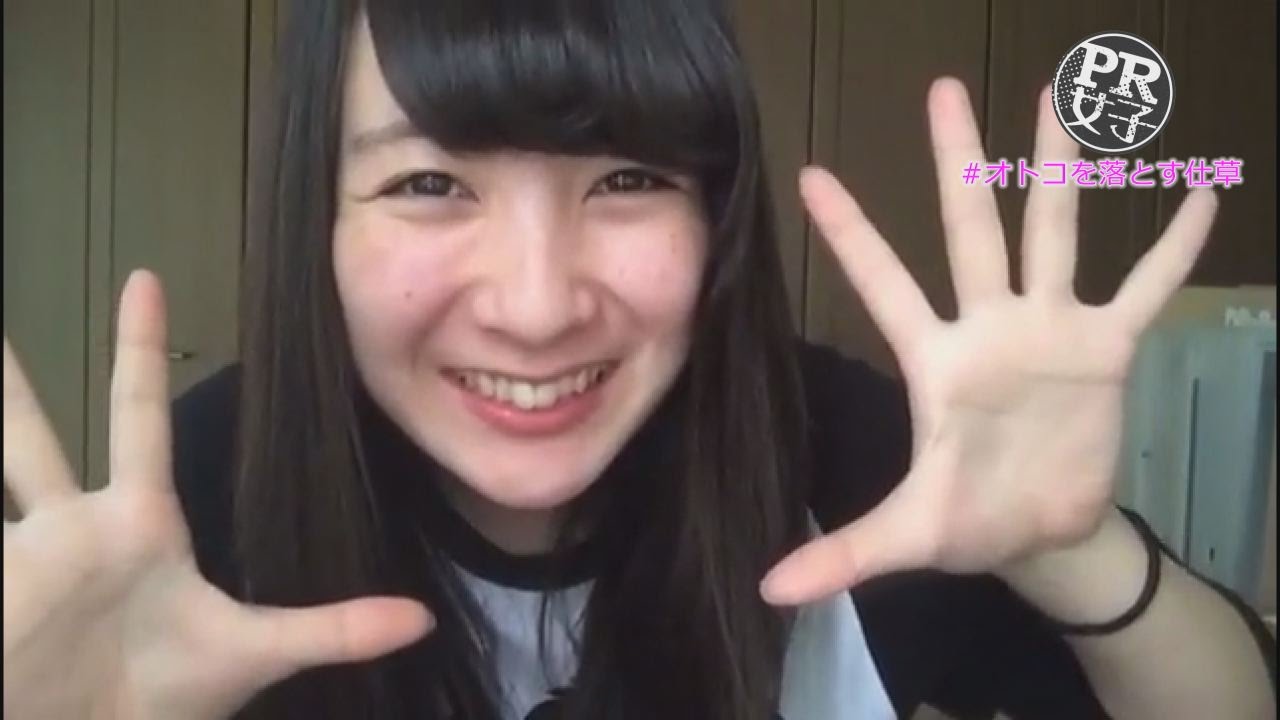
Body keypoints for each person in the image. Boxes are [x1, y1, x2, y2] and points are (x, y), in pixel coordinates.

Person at [3, 1, 1275, 718]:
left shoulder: (860, 460)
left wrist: (1068, 551)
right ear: (315, 221)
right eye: (429, 183)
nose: (537, 307)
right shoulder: (202, 509)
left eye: (626, 180)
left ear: (715, 212)